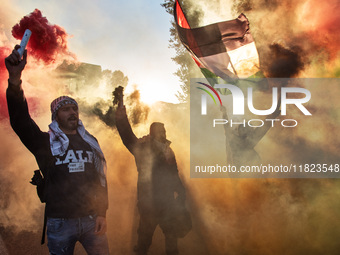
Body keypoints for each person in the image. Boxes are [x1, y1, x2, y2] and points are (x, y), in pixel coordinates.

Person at [5, 45, 110, 255]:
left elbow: (100, 180)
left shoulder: (91, 142)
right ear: (55, 117)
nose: (72, 112)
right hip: (60, 223)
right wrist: (15, 80)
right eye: (65, 109)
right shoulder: (45, 143)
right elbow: (20, 121)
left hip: (91, 220)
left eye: (74, 109)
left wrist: (101, 213)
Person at [115, 100, 187, 255]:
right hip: (149, 203)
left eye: (164, 130)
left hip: (167, 202)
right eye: (160, 130)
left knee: (171, 237)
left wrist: (181, 192)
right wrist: (121, 118)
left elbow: (174, 173)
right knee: (144, 237)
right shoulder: (143, 148)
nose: (163, 133)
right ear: (153, 132)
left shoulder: (169, 150)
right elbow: (128, 137)